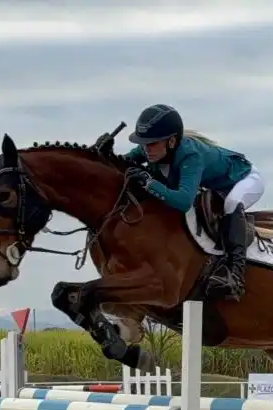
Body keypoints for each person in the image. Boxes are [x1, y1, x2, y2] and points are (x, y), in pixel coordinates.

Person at [94, 104, 263, 302]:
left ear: (172, 141)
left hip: (245, 180)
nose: (146, 150)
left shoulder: (191, 156)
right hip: (216, 185)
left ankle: (235, 274)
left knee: (231, 204)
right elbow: (125, 165)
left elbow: (183, 201)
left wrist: (149, 182)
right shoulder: (151, 148)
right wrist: (105, 155)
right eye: (144, 144)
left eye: (152, 144)